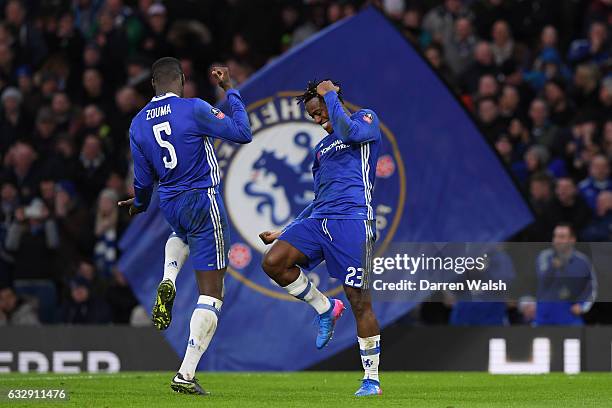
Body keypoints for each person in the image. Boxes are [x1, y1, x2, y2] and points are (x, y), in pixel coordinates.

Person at [118, 57, 251, 395]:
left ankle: (168, 278)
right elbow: (242, 133)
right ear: (180, 79)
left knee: (181, 235)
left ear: (152, 84)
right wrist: (230, 90)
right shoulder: (193, 108)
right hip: (203, 200)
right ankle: (186, 375)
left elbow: (144, 182)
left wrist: (138, 204)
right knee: (212, 294)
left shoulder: (137, 124)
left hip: (171, 203)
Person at [259, 79, 382, 397]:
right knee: (274, 262)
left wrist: (330, 95)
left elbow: (348, 132)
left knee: (360, 302)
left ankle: (371, 380)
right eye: (312, 115)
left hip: (354, 222)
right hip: (319, 221)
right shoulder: (321, 149)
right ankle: (325, 307)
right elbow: (319, 199)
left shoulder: (364, 121)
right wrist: (285, 230)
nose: (317, 119)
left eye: (320, 111)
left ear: (333, 101)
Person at [535, 223, 596, 326]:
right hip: (544, 318)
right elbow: (543, 281)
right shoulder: (544, 257)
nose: (557, 240)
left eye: (562, 237)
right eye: (555, 236)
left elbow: (592, 288)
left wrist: (582, 306)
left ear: (572, 240)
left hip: (570, 318)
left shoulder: (583, 261)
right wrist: (553, 268)